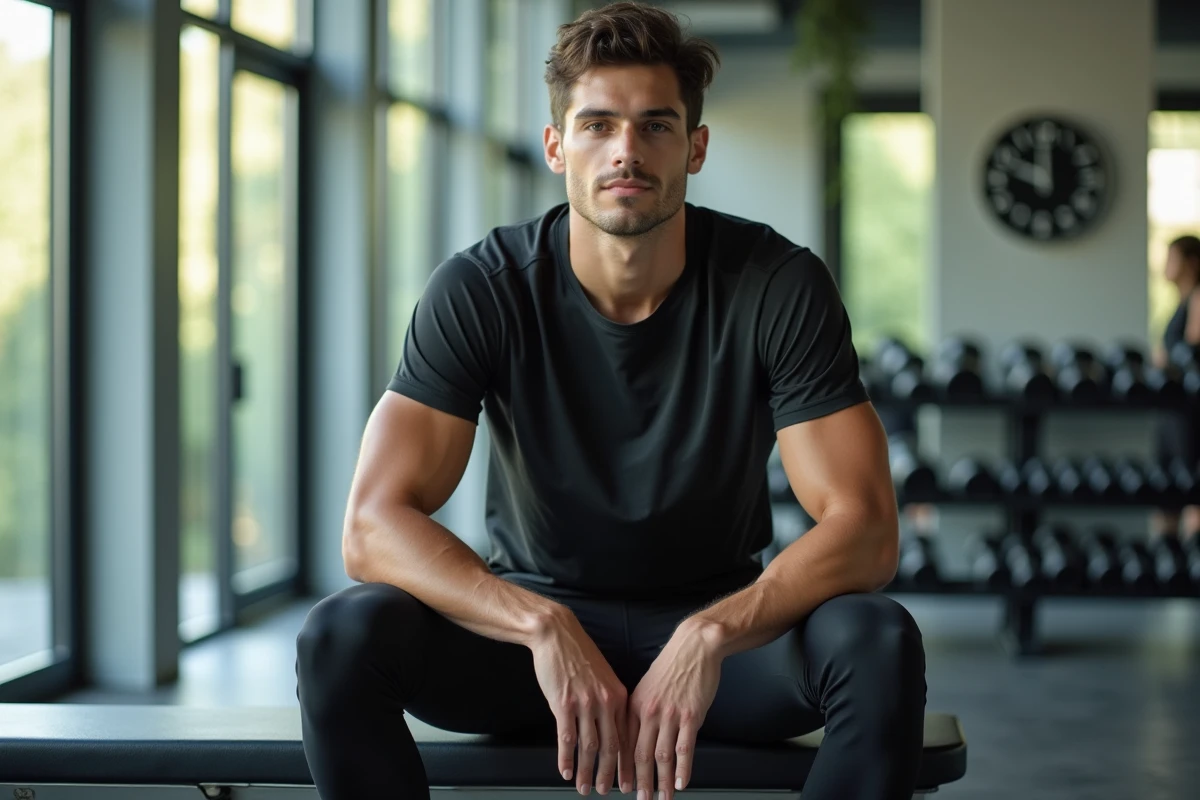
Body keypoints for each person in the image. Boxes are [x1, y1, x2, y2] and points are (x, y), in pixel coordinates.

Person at [295, 4, 925, 799]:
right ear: (556, 145)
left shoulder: (776, 283)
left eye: (656, 125)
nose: (626, 150)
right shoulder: (483, 288)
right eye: (597, 125)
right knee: (341, 635)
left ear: (695, 147)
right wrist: (538, 623)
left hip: (724, 647)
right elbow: (371, 527)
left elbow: (866, 529)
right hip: (528, 651)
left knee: (877, 639)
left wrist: (712, 631)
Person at [1152, 234, 1200, 540]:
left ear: (1192, 263)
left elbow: (1190, 356)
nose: (1165, 266)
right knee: (1166, 491)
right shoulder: (1181, 302)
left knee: (1191, 489)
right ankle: (1167, 558)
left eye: (1172, 259)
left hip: (1190, 412)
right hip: (1171, 412)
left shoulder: (1198, 297)